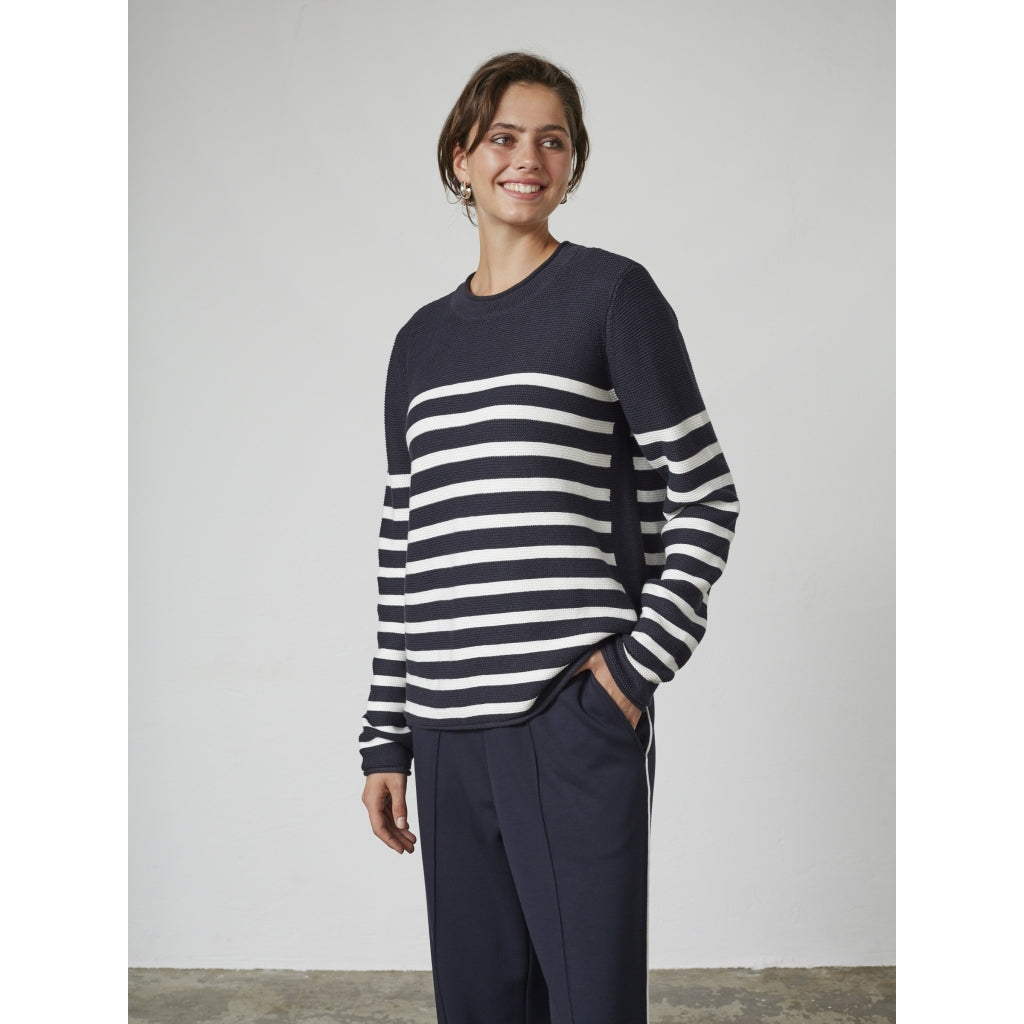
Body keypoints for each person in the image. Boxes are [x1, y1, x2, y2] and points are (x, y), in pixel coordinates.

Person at [358, 51, 740, 1024]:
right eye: (503, 137)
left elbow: (705, 495)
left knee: (588, 1006)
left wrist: (626, 678)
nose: (527, 159)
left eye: (553, 140)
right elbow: (405, 547)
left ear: (572, 163)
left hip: (567, 717)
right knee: (479, 1009)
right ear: (461, 158)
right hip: (444, 737)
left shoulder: (611, 297)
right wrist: (385, 735)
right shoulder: (418, 345)